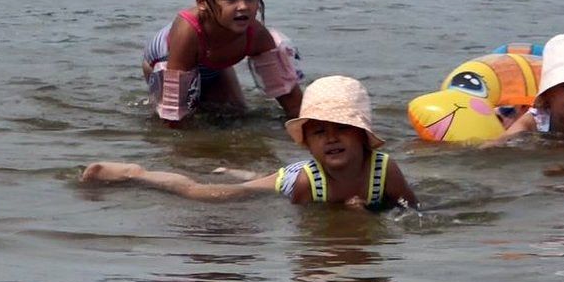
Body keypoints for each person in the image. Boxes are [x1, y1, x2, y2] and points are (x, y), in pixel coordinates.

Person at [82, 76, 419, 210]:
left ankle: (240, 171)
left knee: (255, 177)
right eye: (318, 132)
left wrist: (372, 215)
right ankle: (137, 173)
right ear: (308, 144)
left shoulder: (385, 169)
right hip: (295, 181)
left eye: (341, 129)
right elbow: (309, 223)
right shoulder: (303, 181)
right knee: (206, 193)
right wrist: (345, 215)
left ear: (362, 135)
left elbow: (412, 210)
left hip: (313, 181)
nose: (330, 138)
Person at [142, 0, 303, 124]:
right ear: (202, 2)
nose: (243, 6)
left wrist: (307, 126)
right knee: (181, 119)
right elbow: (173, 108)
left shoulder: (256, 34)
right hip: (167, 61)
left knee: (239, 113)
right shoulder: (187, 31)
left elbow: (289, 97)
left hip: (214, 65)